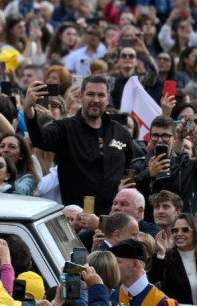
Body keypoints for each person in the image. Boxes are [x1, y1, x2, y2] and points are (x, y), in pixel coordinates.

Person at [24, 75, 134, 215]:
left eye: (101, 95)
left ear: (108, 98)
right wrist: (29, 110)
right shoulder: (65, 129)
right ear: (81, 96)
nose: (96, 100)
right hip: (76, 218)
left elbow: (129, 169)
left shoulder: (120, 132)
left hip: (113, 217)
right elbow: (40, 139)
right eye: (90, 94)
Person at [151, 213, 197, 305]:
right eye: (175, 230)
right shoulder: (166, 259)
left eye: (185, 230)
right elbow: (153, 282)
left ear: (195, 232)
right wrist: (161, 252)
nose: (179, 234)